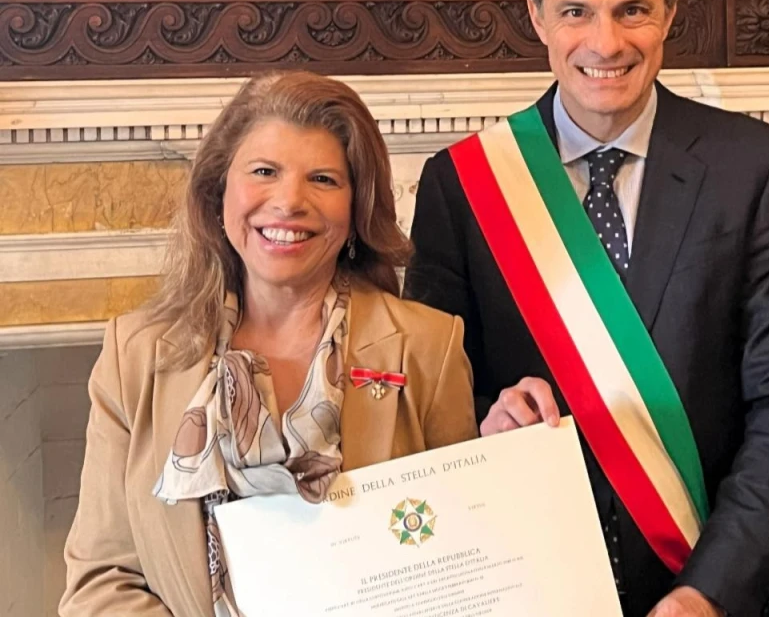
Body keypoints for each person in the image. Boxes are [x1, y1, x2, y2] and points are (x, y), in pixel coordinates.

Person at [403, 0, 769, 617]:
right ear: (537, 17)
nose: (606, 42)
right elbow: (429, 406)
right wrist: (485, 424)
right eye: (576, 12)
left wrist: (707, 592)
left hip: (709, 590)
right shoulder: (464, 185)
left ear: (668, 16)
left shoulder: (754, 169)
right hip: (531, 585)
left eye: (632, 10)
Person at [60, 72, 478, 616]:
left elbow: (461, 558)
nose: (289, 201)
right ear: (219, 193)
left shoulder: (429, 348)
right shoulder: (134, 354)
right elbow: (100, 581)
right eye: (264, 171)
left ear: (356, 208)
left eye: (323, 179)